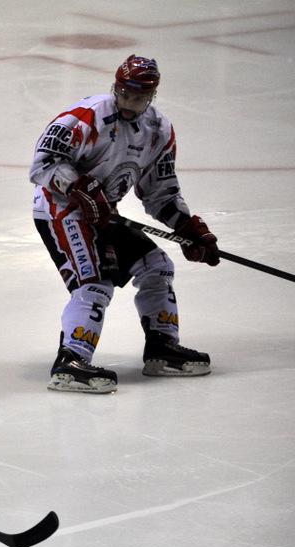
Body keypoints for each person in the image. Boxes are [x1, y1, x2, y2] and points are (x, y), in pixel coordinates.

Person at [29, 54, 219, 394]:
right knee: (94, 282)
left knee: (157, 266)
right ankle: (70, 360)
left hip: (105, 214)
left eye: (139, 97)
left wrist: (187, 227)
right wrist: (78, 186)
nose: (129, 102)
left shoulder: (159, 131)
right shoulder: (85, 117)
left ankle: (161, 347)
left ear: (152, 95)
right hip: (61, 210)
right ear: (115, 87)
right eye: (124, 93)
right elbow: (43, 164)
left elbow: (160, 192)